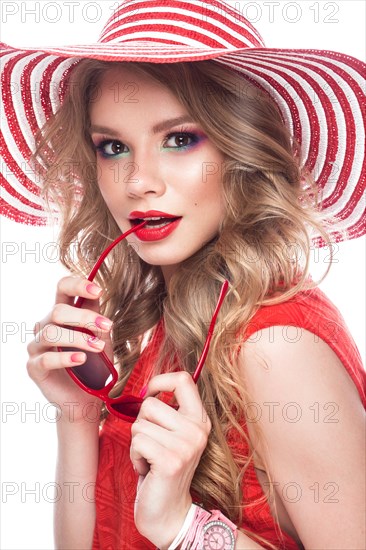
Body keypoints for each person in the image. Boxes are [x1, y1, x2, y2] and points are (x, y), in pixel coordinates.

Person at [1, 0, 365, 548]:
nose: (137, 181)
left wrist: (185, 528)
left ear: (242, 150)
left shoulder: (277, 348)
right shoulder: (174, 331)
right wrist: (78, 414)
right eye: (114, 147)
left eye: (179, 138)